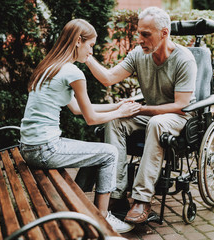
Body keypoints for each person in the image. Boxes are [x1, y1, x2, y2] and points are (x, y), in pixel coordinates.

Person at [19, 19, 141, 233]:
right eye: (91, 45)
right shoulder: (74, 73)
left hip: (29, 147)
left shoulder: (50, 67)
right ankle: (103, 220)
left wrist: (116, 105)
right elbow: (90, 118)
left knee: (94, 151)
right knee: (110, 152)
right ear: (78, 41)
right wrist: (120, 113)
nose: (91, 52)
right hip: (45, 149)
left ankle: (80, 206)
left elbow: (76, 108)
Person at [85, 7, 197, 224]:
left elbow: (181, 105)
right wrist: (86, 57)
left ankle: (142, 199)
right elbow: (108, 78)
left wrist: (141, 109)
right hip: (152, 114)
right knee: (115, 119)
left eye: (146, 34)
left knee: (156, 122)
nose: (140, 39)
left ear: (164, 33)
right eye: (139, 33)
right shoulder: (139, 54)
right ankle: (116, 194)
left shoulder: (184, 59)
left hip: (179, 117)